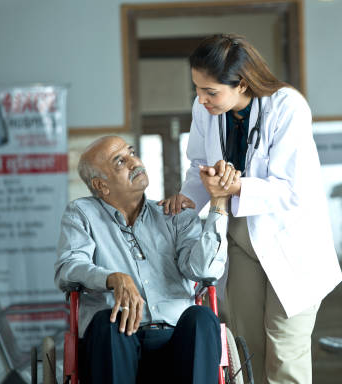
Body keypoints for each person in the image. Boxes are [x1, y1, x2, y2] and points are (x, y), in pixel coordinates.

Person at [160, 33, 342, 384]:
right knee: (247, 348)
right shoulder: (205, 110)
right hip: (241, 237)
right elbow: (199, 166)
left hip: (290, 241)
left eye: (210, 91)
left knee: (285, 351)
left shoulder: (287, 106)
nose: (201, 99)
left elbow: (292, 189)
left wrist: (235, 186)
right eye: (197, 89)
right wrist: (185, 201)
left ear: (241, 83)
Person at [55, 135, 240, 384]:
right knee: (107, 323)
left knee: (202, 318)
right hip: (118, 341)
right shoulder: (81, 214)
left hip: (177, 341)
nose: (135, 162)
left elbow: (206, 271)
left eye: (131, 152)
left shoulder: (174, 215)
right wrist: (112, 278)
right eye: (120, 161)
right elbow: (69, 266)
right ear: (101, 185)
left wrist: (218, 202)